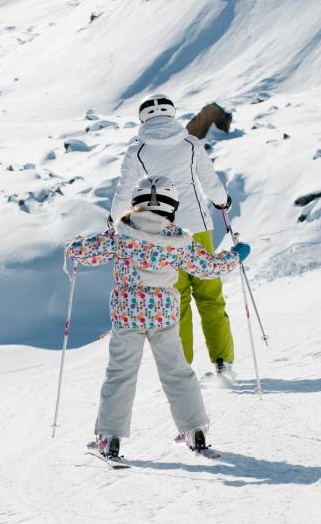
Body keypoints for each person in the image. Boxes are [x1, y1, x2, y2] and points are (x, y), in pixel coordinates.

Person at [66, 176, 250, 460]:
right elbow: (210, 268)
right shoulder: (178, 240)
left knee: (120, 374)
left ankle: (109, 438)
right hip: (164, 315)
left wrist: (75, 245)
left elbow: (80, 253)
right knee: (177, 372)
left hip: (127, 316)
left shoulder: (120, 233)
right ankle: (194, 431)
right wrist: (236, 255)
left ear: (136, 203)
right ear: (171, 207)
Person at [111, 93, 237, 380]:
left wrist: (115, 219)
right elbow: (209, 181)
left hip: (161, 234)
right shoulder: (190, 144)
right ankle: (223, 362)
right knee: (210, 296)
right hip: (198, 226)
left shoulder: (137, 151)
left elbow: (125, 191)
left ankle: (184, 366)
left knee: (175, 299)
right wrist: (223, 201)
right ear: (172, 114)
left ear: (143, 118)